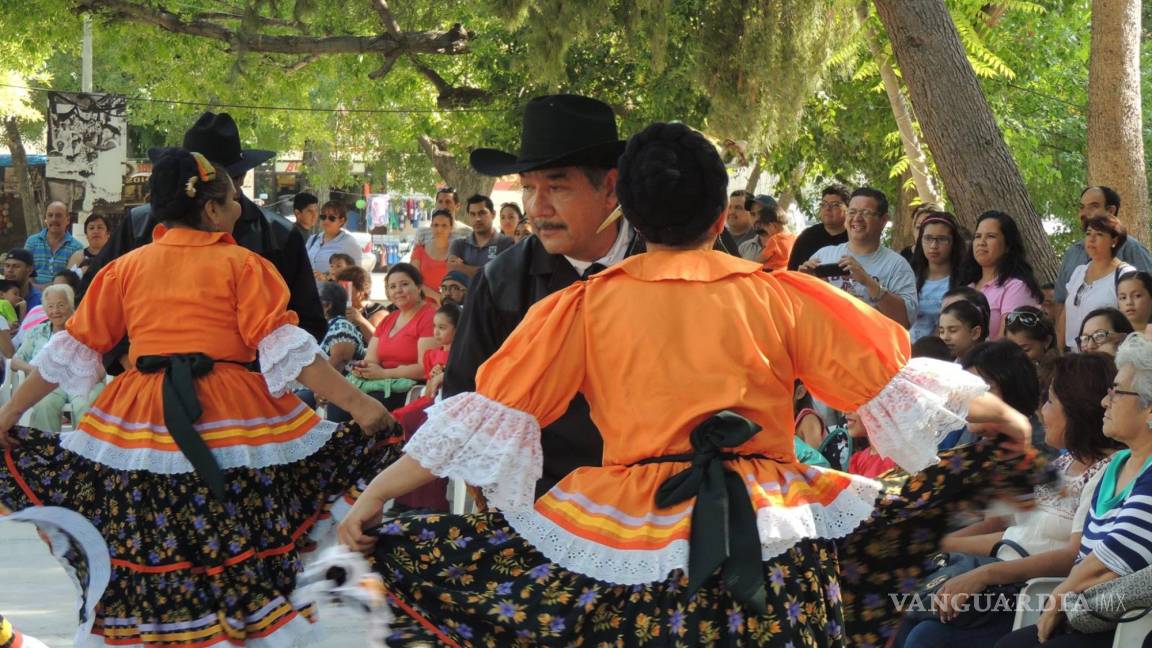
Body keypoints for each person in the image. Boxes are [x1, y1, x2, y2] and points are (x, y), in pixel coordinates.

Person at [334, 122, 1044, 647]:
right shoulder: (783, 296)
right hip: (772, 527)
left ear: (629, 216)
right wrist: (1003, 417)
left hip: (625, 539)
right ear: (718, 215)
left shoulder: (583, 306)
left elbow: (475, 421)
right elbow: (898, 381)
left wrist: (373, 496)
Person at [0, 149, 397, 646]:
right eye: (233, 197)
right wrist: (362, 406)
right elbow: (291, 353)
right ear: (210, 209)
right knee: (238, 538)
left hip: (138, 419)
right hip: (235, 417)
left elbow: (71, 351)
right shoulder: (243, 265)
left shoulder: (123, 269)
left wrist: (9, 412)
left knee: (150, 540)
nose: (239, 205)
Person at [443, 94, 644, 497]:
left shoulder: (668, 266)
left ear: (610, 187)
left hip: (658, 500)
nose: (538, 207)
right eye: (529, 189)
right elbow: (464, 398)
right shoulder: (502, 281)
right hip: (540, 499)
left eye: (556, 186)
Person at [898, 353, 1119, 648]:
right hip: (994, 578)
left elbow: (1073, 556)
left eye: (1051, 401)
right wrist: (938, 546)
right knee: (903, 606)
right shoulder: (1063, 463)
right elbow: (1005, 527)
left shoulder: (1106, 473)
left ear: (1077, 410)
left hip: (1027, 594)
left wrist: (986, 574)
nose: (1043, 410)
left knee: (926, 637)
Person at [78, 112, 327, 351]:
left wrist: (251, 366)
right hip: (150, 379)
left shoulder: (278, 236)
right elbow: (91, 303)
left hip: (243, 384)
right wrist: (127, 356)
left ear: (237, 181)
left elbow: (308, 323)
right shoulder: (139, 225)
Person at [997, 331, 1152, 647]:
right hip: (1084, 608)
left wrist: (1060, 595)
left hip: (1123, 622)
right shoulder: (1119, 462)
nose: (1105, 401)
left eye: (1117, 393)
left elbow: (1116, 556)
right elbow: (1092, 559)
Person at [799, 187, 918, 328]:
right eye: (852, 212)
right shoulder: (823, 255)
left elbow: (905, 320)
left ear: (883, 220)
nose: (857, 218)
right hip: (827, 344)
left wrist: (868, 282)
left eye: (865, 213)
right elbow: (801, 309)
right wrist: (804, 282)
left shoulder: (897, 265)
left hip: (872, 347)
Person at [334, 263, 435, 414]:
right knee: (337, 401)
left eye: (404, 284)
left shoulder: (429, 317)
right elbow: (371, 360)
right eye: (392, 287)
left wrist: (384, 374)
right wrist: (363, 368)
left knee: (362, 406)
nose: (398, 291)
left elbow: (424, 368)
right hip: (380, 382)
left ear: (419, 287)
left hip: (408, 387)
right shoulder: (389, 319)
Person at [9, 284, 104, 433]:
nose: (55, 311)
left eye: (60, 305)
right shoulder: (37, 332)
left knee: (85, 406)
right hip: (49, 384)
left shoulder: (87, 330)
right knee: (44, 404)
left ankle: (84, 452)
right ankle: (48, 450)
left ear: (71, 305)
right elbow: (15, 362)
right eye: (50, 306)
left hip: (85, 382)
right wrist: (34, 369)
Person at [1052, 186, 1152, 322]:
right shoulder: (1072, 254)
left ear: (1111, 211)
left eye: (1093, 206)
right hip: (1076, 343)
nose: (1084, 213)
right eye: (1081, 207)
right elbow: (1060, 302)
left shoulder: (1132, 250)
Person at [960, 210, 1043, 339]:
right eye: (977, 236)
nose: (981, 242)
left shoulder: (1017, 287)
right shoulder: (965, 287)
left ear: (1008, 245)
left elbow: (1007, 339)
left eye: (991, 236)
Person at [1058, 216, 1134, 351]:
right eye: (1088, 233)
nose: (1091, 239)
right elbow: (1065, 315)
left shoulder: (1125, 275)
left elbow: (1134, 322)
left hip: (1107, 361)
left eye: (1099, 234)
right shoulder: (1079, 271)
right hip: (1074, 360)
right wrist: (1060, 352)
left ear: (1114, 240)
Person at [910, 211, 965, 341]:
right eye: (928, 238)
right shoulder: (910, 277)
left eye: (942, 239)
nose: (934, 246)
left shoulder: (963, 280)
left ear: (953, 243)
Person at [446, 194, 514, 278]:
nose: (477, 219)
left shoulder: (507, 243)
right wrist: (489, 271)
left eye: (482, 213)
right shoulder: (459, 245)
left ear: (493, 214)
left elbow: (500, 276)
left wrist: (462, 267)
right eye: (472, 214)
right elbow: (453, 273)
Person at [787, 184, 850, 270]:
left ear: (848, 209)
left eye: (835, 205)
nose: (827, 208)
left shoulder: (855, 237)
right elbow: (792, 272)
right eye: (823, 204)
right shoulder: (807, 237)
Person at [24, 201, 83, 287]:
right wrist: (34, 289)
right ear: (46, 219)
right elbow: (24, 270)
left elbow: (70, 279)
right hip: (32, 293)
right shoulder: (32, 242)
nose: (54, 219)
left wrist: (44, 289)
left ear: (67, 220)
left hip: (60, 294)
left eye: (58, 216)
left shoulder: (77, 247)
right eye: (50, 215)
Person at [305, 201, 362, 282]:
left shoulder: (349, 243)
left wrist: (327, 277)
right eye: (323, 217)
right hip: (309, 291)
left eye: (332, 218)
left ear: (341, 221)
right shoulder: (313, 240)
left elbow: (357, 275)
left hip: (333, 292)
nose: (326, 221)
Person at [737, 194, 795, 271]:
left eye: (762, 214)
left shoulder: (796, 244)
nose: (757, 218)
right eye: (753, 214)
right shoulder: (744, 247)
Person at [409, 208, 454, 294]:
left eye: (444, 225)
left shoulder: (456, 253)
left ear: (451, 228)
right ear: (431, 227)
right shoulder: (420, 250)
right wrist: (436, 297)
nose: (439, 229)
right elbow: (413, 280)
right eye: (436, 225)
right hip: (422, 303)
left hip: (447, 301)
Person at [337, 265, 387, 342]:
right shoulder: (338, 310)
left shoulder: (376, 310)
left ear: (361, 290)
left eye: (346, 288)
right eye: (339, 287)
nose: (341, 292)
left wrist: (360, 320)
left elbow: (378, 341)